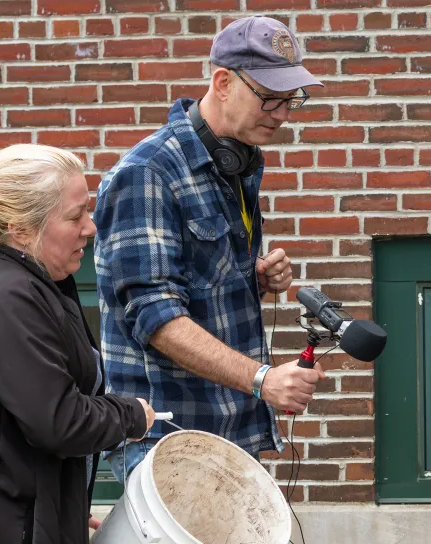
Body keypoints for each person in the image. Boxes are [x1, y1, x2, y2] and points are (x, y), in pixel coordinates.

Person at [94, 15, 326, 482]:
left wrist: (250, 277)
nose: (283, 114)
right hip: (167, 438)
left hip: (228, 431)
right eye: (271, 98)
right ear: (223, 82)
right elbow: (156, 318)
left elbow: (191, 281)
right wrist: (263, 380)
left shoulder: (235, 163)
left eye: (291, 99)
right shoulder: (148, 173)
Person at [0, 144, 156, 544]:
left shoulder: (39, 284)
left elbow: (26, 425)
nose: (90, 227)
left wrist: (63, 511)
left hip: (11, 516)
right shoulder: (8, 298)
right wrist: (131, 416)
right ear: (20, 228)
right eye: (75, 216)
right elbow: (60, 421)